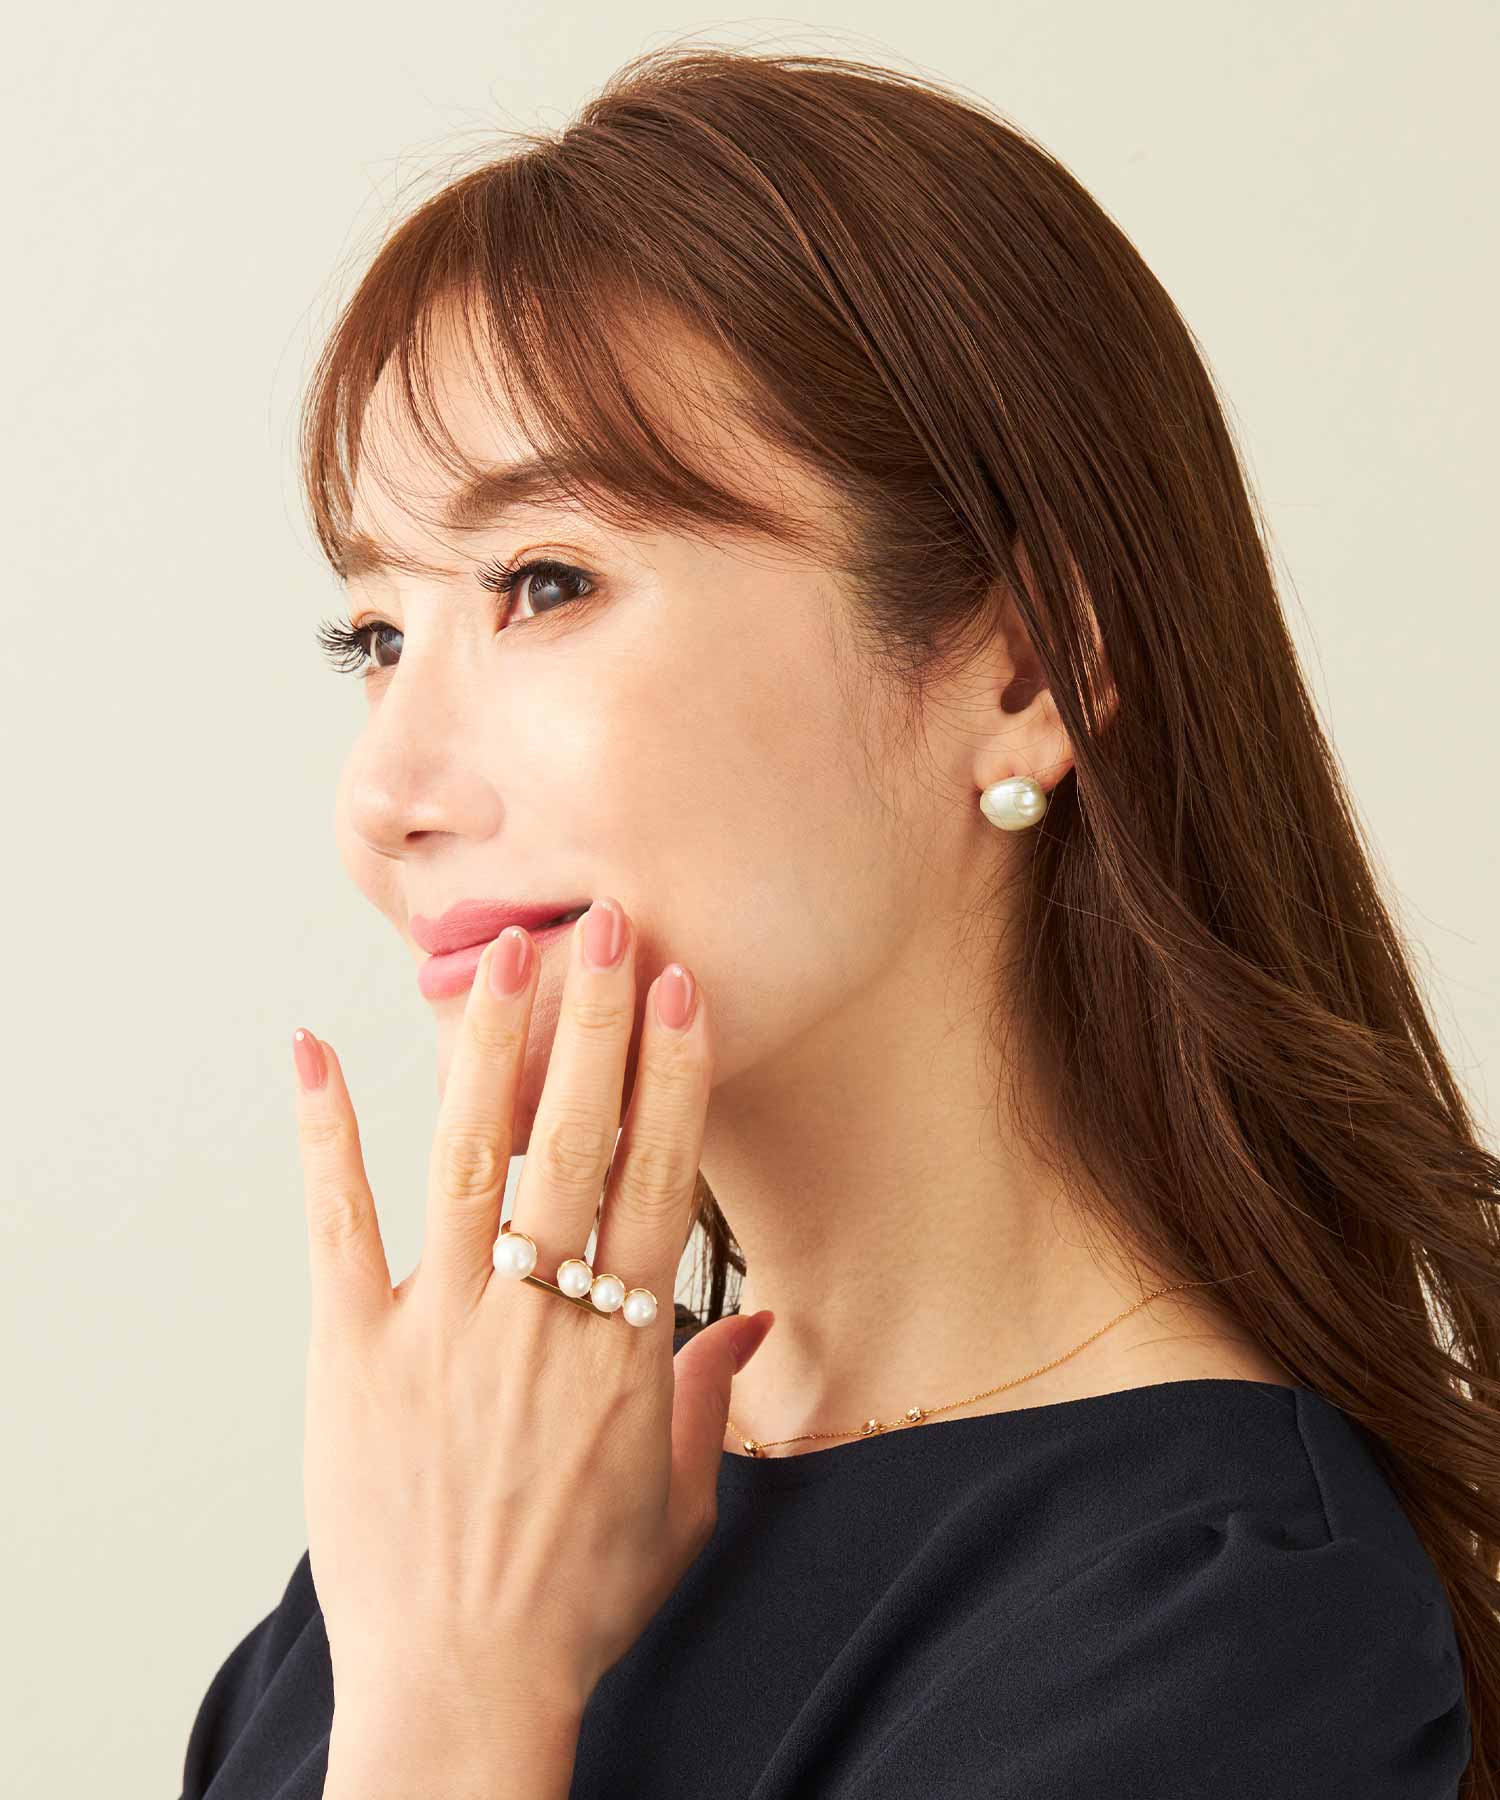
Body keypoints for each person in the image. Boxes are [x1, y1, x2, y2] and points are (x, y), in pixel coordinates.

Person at [179, 43, 1490, 1800]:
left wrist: (458, 1708)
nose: (383, 793)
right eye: (375, 639)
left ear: (1024, 671)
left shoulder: (1234, 1640)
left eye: (543, 582)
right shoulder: (488, 1486)